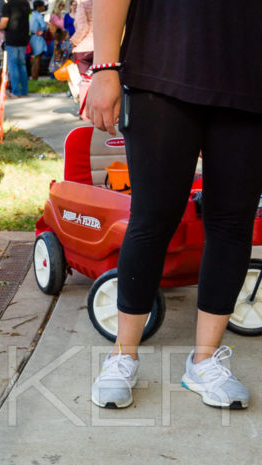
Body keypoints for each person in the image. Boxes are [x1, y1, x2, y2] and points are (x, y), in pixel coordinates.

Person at [85, 1, 262, 410]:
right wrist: (105, 67)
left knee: (232, 222)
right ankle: (122, 355)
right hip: (161, 68)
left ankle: (205, 361)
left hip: (251, 79)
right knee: (153, 217)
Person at [0, 0, 31, 96]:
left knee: (13, 65)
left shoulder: (7, 6)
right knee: (22, 65)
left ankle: (16, 91)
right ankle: (24, 90)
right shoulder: (25, 4)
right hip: (23, 38)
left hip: (12, 38)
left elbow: (4, 23)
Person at [70, 0, 93, 74]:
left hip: (84, 49)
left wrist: (73, 42)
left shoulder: (82, 5)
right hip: (102, 48)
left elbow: (82, 28)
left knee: (84, 79)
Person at [29, 0, 49, 79]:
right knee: (38, 58)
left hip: (32, 37)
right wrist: (45, 27)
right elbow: (43, 26)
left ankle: (33, 75)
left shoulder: (32, 15)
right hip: (38, 38)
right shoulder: (39, 16)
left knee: (34, 59)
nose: (44, 8)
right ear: (38, 7)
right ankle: (35, 77)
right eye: (43, 6)